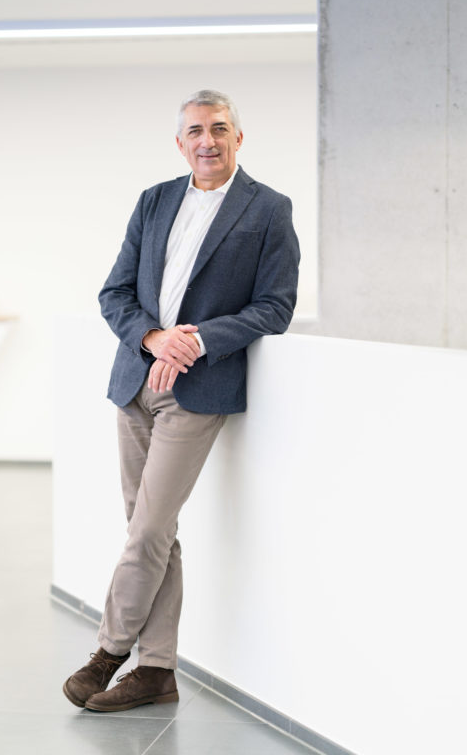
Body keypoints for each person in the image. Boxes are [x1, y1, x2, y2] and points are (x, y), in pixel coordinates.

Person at [63, 89, 300, 712]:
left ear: (238, 137)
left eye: (220, 128)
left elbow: (276, 306)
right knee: (153, 533)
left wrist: (194, 341)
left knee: (147, 531)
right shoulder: (155, 200)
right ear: (180, 142)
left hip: (197, 393)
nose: (207, 140)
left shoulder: (269, 210)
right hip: (135, 383)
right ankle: (158, 670)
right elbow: (113, 291)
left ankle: (106, 656)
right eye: (195, 130)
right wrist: (153, 336)